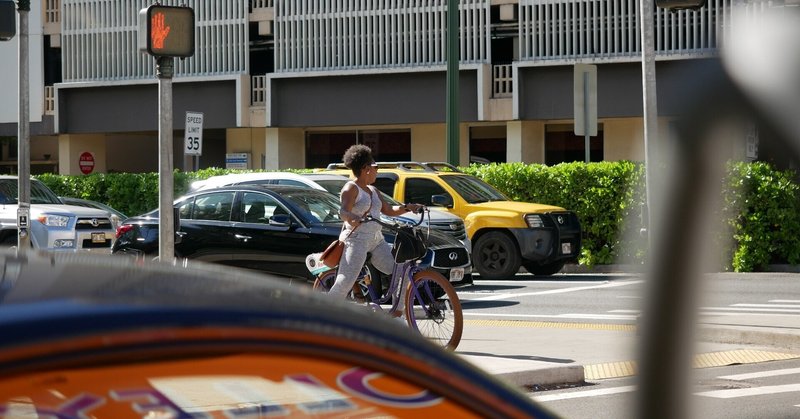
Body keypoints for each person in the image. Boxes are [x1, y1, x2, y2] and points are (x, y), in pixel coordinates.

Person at [328, 145, 422, 318]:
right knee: (345, 281)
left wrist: (408, 207)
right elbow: (343, 211)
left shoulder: (373, 190)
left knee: (401, 271)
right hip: (356, 239)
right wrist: (352, 218)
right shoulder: (351, 188)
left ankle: (396, 314)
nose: (377, 171)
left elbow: (389, 210)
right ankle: (323, 316)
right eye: (376, 167)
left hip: (376, 240)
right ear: (366, 169)